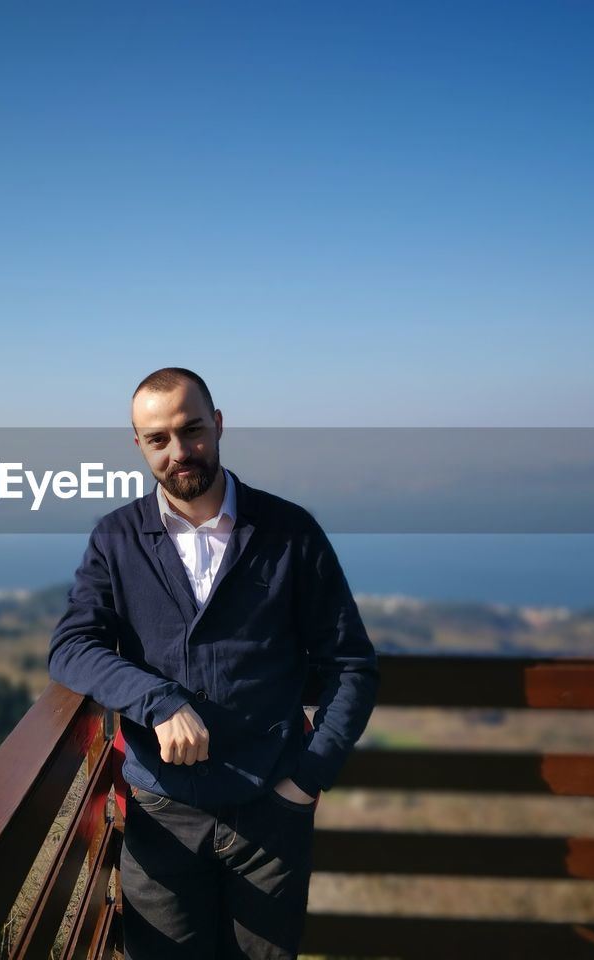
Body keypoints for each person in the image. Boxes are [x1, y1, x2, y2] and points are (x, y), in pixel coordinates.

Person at [47, 367, 379, 959]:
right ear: (140, 446)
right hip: (161, 817)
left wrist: (307, 780)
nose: (179, 452)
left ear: (218, 424)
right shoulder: (116, 539)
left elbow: (351, 664)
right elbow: (72, 646)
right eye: (158, 439)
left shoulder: (290, 532)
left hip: (272, 817)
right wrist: (160, 701)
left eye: (192, 429)